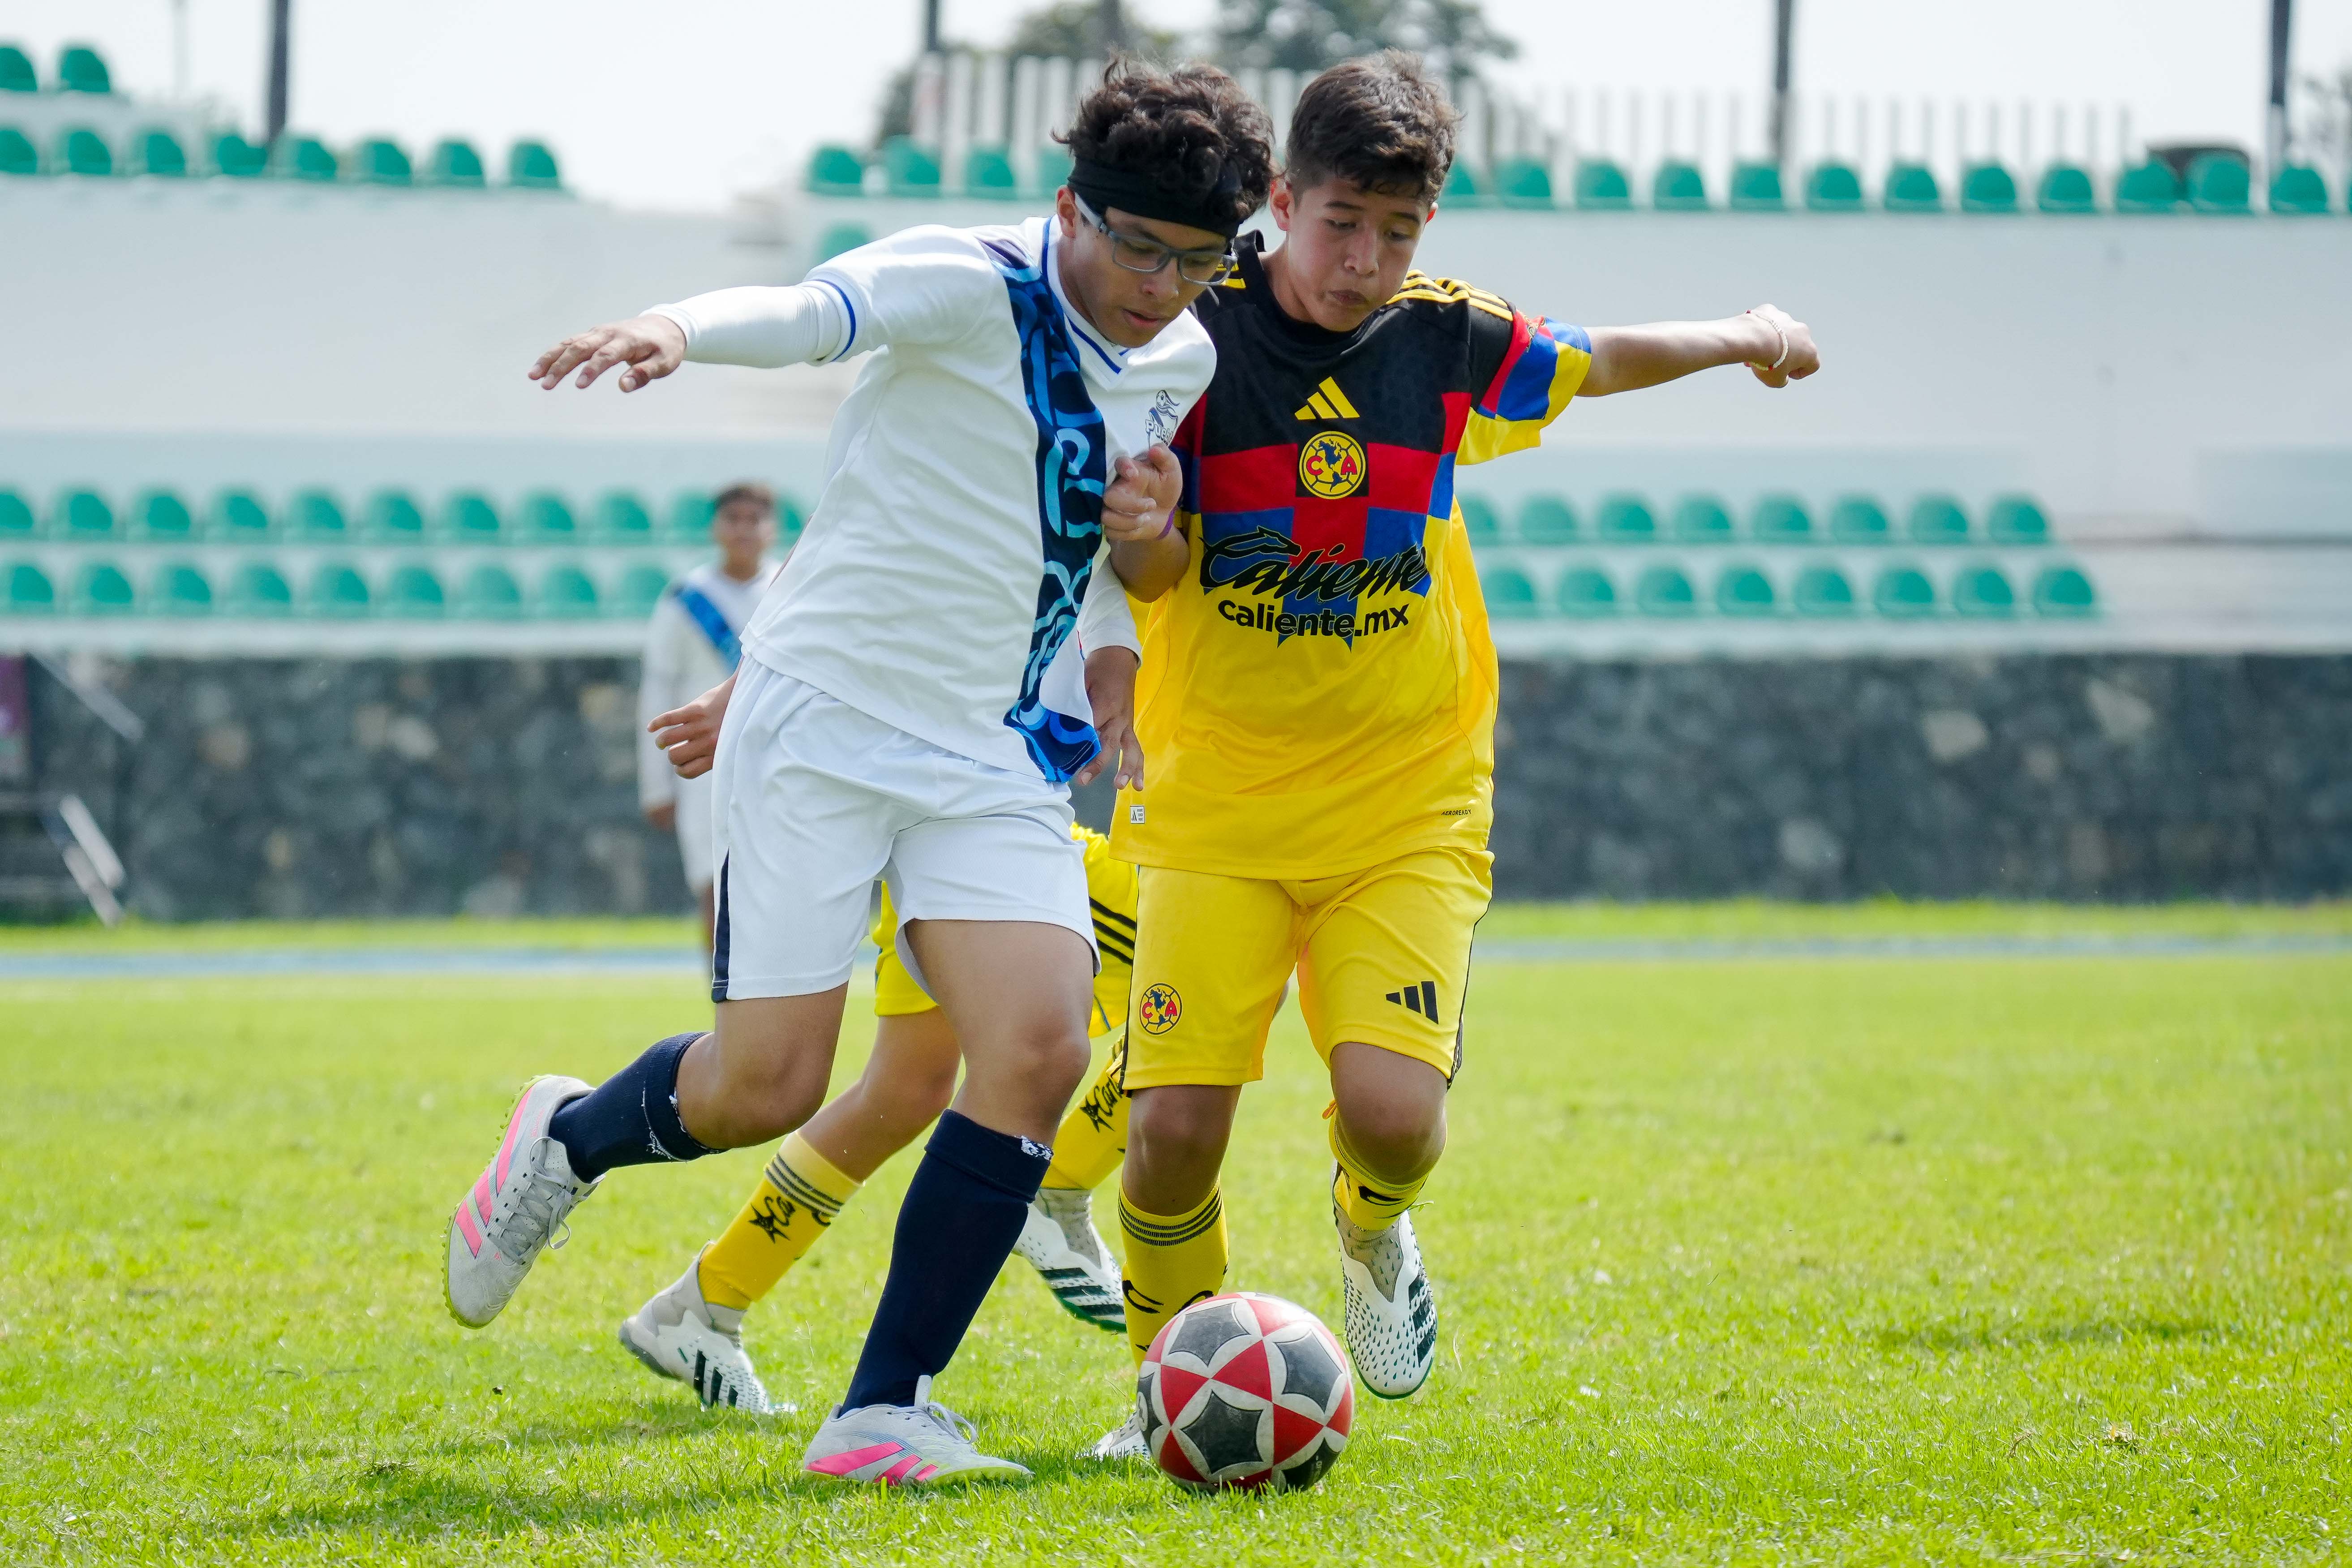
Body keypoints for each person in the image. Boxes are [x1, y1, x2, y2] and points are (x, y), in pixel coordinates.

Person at [442, 59, 1274, 1488]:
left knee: (1037, 1048)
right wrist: (670, 328)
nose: (1161, 287)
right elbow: (812, 311)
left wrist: (1146, 535)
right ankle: (570, 1138)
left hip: (989, 749)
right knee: (765, 1086)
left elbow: (1111, 566)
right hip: (822, 722)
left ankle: (881, 1407)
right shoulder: (964, 278)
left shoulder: (1183, 355)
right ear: (1072, 207)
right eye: (1139, 249)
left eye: (1198, 263)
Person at [1078, 52, 1822, 1456]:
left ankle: (1371, 1235)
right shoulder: (1190, 347)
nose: (1364, 261)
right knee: (1170, 1133)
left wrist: (1742, 332)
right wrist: (1137, 532)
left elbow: (1594, 361)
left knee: (1392, 1119)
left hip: (1403, 808)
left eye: (1398, 232)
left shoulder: (1444, 341)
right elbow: (1162, 571)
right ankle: (1163, 1388)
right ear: (1283, 201)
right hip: (1216, 807)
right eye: (1340, 222)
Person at [615, 822, 1140, 1413]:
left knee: (903, 1091)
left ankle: (706, 1301)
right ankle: (1059, 1184)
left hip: (947, 823)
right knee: (1214, 973)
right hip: (1007, 832)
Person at [637, 483, 783, 954]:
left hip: (779, 758)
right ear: (716, 528)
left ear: (772, 528)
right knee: (713, 885)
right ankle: (724, 1000)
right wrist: (656, 783)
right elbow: (658, 685)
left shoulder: (790, 590)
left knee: (779, 887)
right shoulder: (686, 598)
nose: (744, 529)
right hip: (706, 763)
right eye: (733, 518)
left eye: (755, 518)